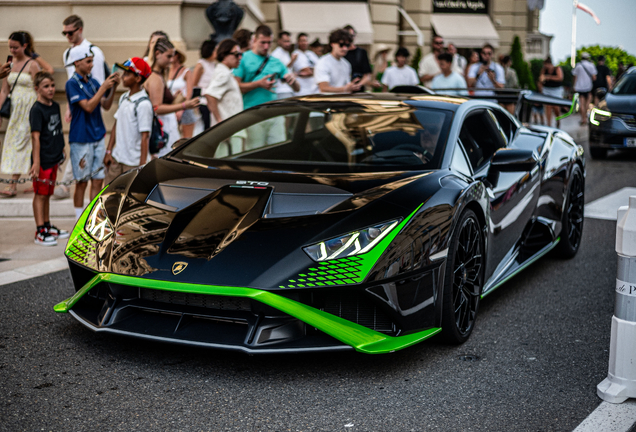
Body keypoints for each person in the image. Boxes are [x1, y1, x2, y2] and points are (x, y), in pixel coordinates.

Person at [56, 14, 109, 200]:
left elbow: (99, 83)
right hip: (80, 109)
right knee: (83, 171)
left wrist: (100, 99)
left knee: (94, 174)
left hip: (94, 109)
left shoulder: (94, 51)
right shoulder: (68, 53)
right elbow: (72, 85)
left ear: (79, 30)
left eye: (70, 32)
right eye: (64, 33)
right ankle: (66, 185)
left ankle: (65, 184)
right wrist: (70, 107)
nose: (67, 36)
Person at [65, 44, 119, 219]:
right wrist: (103, 88)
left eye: (92, 61)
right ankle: (78, 220)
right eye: (88, 61)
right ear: (77, 62)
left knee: (98, 180)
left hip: (97, 136)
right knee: (81, 182)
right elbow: (88, 107)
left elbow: (106, 105)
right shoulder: (71, 83)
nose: (91, 65)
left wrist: (113, 88)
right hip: (81, 138)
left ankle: (93, 219)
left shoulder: (94, 82)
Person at [29, 71, 68, 245]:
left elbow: (58, 130)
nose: (51, 89)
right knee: (40, 194)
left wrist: (61, 149)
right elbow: (35, 137)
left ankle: (47, 225)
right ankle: (40, 231)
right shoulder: (36, 110)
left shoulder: (55, 106)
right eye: (46, 86)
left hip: (54, 157)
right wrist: (36, 163)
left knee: (48, 194)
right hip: (42, 160)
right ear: (37, 89)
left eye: (52, 85)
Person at [0, 32, 40, 197]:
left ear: (24, 46)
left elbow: (39, 88)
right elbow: (4, 90)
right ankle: (18, 182)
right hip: (15, 110)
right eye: (10, 47)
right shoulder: (8, 64)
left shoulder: (32, 64)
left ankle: (13, 184)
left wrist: (40, 111)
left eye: (15, 47)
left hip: (29, 108)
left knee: (26, 143)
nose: (12, 50)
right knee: (14, 142)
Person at [144, 37, 199, 157]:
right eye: (168, 56)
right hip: (163, 128)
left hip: (166, 126)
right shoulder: (155, 78)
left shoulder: (158, 75)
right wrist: (184, 105)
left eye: (173, 56)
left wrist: (174, 98)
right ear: (157, 54)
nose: (171, 60)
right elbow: (157, 108)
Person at [104, 58, 153, 185]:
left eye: (127, 74)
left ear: (137, 78)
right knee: (109, 195)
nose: (123, 77)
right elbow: (116, 124)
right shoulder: (124, 97)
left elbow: (145, 136)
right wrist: (109, 151)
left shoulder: (143, 104)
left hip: (133, 163)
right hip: (117, 159)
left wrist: (142, 166)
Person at [233, 25, 299, 110]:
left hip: (273, 115)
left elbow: (297, 88)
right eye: (263, 42)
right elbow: (236, 87)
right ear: (255, 40)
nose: (266, 47)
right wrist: (258, 84)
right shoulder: (243, 58)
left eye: (269, 42)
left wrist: (293, 81)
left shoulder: (276, 61)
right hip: (250, 113)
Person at [204, 39, 244, 155]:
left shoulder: (226, 72)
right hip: (229, 132)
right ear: (224, 55)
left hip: (231, 130)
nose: (240, 58)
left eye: (241, 54)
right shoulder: (224, 73)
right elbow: (210, 94)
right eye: (236, 54)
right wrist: (220, 122)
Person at [314, 29, 361, 94]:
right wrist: (345, 88)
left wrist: (352, 86)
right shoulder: (323, 62)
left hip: (341, 102)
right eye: (341, 45)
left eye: (347, 45)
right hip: (326, 102)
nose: (344, 48)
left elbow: (346, 86)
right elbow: (323, 88)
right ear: (332, 44)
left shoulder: (346, 64)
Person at [167, 49, 196, 138]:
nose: (170, 57)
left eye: (172, 54)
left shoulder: (186, 71)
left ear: (177, 56)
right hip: (170, 107)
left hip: (184, 108)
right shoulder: (167, 71)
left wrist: (182, 108)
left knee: (186, 138)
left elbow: (189, 92)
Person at [191, 39, 216, 131]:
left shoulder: (213, 64)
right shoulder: (201, 65)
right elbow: (194, 85)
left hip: (211, 99)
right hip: (202, 101)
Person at [344, 25, 373, 91]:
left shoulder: (361, 52)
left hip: (358, 90)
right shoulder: (341, 53)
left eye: (352, 36)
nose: (350, 38)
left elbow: (367, 74)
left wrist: (359, 85)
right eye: (348, 36)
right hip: (343, 89)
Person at [271, 31, 298, 100]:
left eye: (289, 41)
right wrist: (292, 61)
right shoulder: (276, 54)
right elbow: (280, 71)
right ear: (279, 41)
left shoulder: (285, 52)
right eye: (285, 41)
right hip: (281, 90)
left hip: (288, 88)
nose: (288, 44)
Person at [572, 52, 597, 125]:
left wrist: (574, 86)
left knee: (581, 104)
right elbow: (594, 77)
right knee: (587, 104)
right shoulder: (591, 65)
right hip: (588, 87)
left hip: (579, 87)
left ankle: (583, 118)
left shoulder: (578, 66)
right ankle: (585, 118)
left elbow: (575, 76)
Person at [539, 56, 564, 127]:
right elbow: (540, 79)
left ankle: (558, 120)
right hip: (547, 89)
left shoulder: (557, 69)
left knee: (556, 107)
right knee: (548, 106)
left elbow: (560, 78)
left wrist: (549, 77)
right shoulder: (544, 70)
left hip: (556, 90)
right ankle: (549, 124)